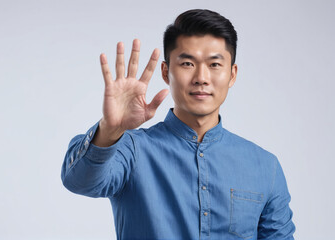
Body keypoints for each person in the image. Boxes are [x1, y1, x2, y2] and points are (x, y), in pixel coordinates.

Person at [61, 9, 295, 240]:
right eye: (187, 64)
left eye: (214, 65)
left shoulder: (265, 167)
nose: (201, 78)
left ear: (232, 74)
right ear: (166, 72)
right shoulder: (131, 149)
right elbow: (78, 181)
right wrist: (110, 129)